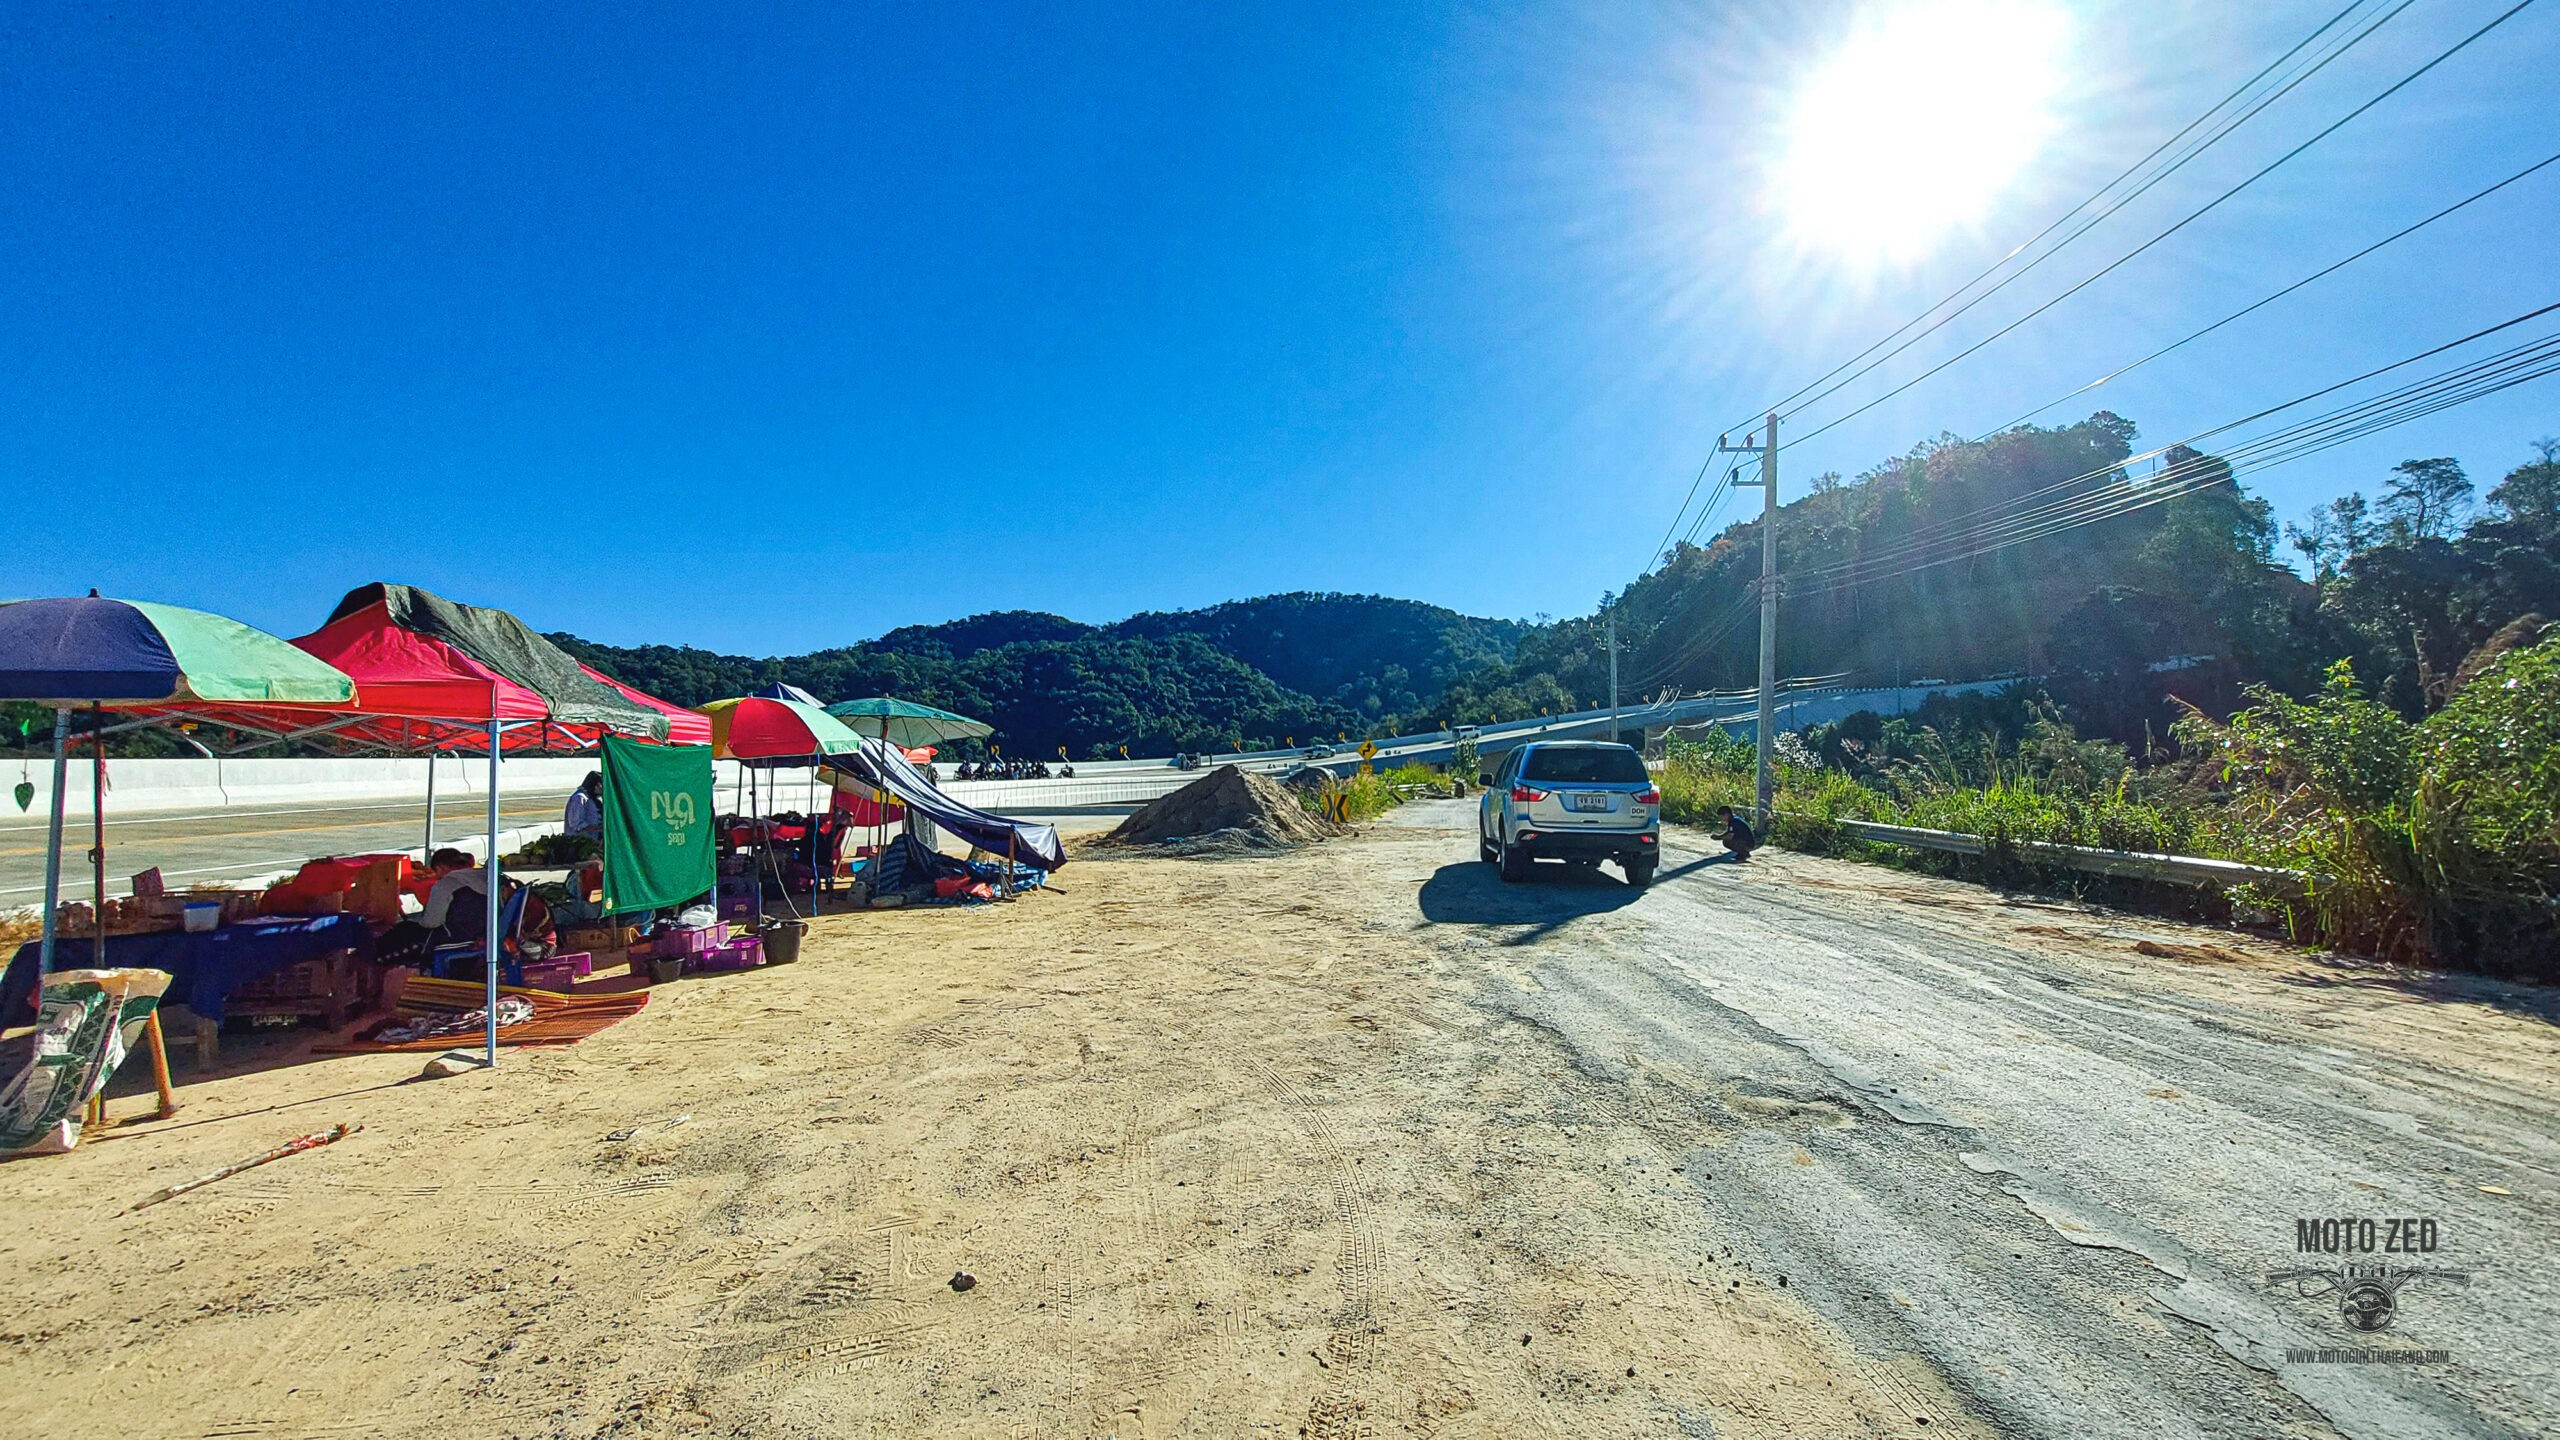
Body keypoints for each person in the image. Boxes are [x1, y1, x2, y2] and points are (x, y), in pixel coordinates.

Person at [564, 771, 603, 838]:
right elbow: (576, 824)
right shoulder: (579, 798)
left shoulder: (595, 797)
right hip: (582, 841)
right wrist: (600, 828)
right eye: (600, 785)